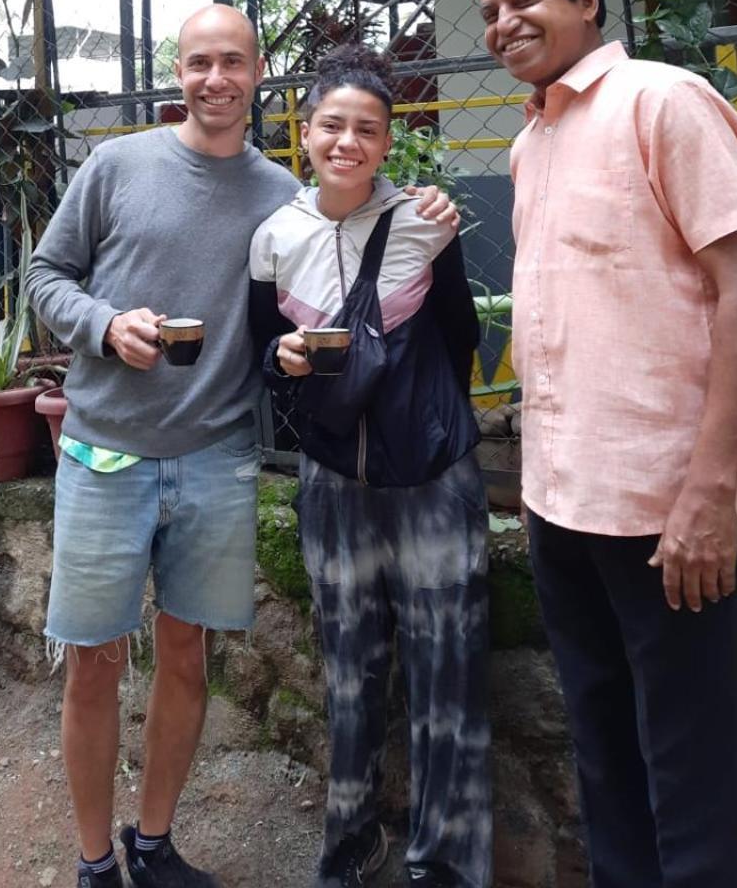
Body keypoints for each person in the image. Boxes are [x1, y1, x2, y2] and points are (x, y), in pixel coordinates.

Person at [27, 3, 460, 888]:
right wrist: (106, 326)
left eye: (233, 62)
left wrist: (426, 200)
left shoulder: (281, 198)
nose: (216, 79)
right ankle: (93, 861)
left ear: (259, 72)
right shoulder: (116, 164)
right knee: (96, 664)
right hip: (106, 451)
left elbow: (356, 223)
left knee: (188, 657)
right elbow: (43, 276)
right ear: (177, 72)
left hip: (216, 457)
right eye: (198, 63)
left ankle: (153, 842)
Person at [478, 0, 737, 888]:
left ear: (586, 3)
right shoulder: (532, 143)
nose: (503, 22)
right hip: (563, 504)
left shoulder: (661, 101)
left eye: (524, 0)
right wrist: (535, 489)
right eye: (488, 11)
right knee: (603, 754)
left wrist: (705, 495)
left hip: (665, 513)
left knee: (686, 773)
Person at [250, 44, 491, 888]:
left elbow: (462, 334)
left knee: (447, 674)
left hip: (431, 479)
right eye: (331, 125)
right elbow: (258, 347)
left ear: (388, 142)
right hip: (331, 485)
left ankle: (448, 866)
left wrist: (422, 424)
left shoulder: (428, 222)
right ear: (303, 133)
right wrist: (281, 356)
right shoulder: (275, 236)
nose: (348, 141)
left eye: (368, 129)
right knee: (348, 674)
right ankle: (350, 846)